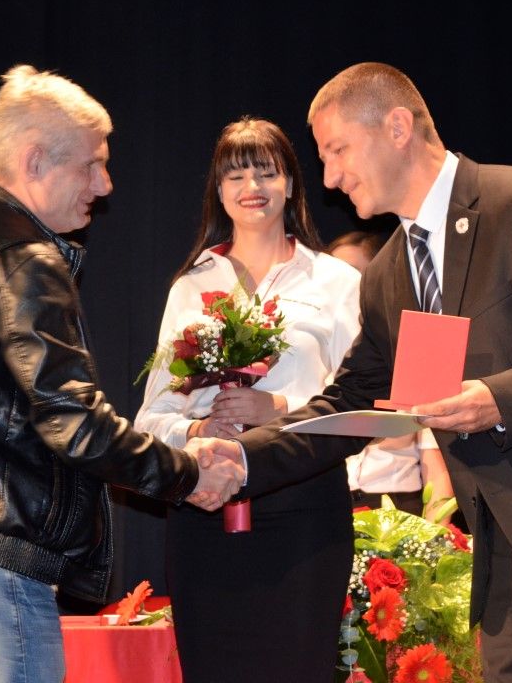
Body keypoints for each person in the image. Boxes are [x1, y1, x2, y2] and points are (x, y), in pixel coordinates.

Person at [201, 62, 512, 683]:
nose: (329, 177)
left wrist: (499, 398)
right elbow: (349, 402)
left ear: (397, 128)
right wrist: (243, 458)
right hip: (503, 565)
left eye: (337, 151)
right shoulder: (389, 275)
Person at [0, 64, 243, 683]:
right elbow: (74, 424)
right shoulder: (26, 260)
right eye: (91, 165)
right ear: (35, 161)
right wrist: (188, 472)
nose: (105, 184)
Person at [133, 117, 362, 682]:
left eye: (266, 171)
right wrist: (197, 430)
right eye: (235, 175)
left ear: (291, 183)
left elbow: (359, 404)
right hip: (205, 508)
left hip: (304, 510)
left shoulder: (336, 282)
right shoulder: (191, 285)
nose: (251, 187)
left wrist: (278, 409)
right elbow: (151, 418)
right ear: (218, 190)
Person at [328, 230, 456, 519]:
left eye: (352, 273)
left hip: (397, 506)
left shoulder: (416, 343)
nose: (343, 284)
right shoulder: (315, 343)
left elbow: (436, 461)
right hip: (330, 504)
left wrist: (434, 531)